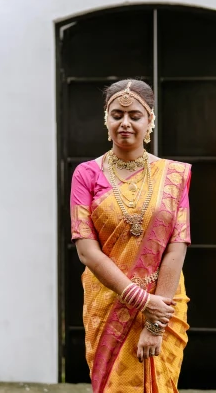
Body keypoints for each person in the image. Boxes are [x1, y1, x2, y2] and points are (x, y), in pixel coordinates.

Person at [70, 79, 192, 393]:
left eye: (135, 115)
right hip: (108, 303)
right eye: (117, 115)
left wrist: (155, 320)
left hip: (163, 304)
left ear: (150, 120)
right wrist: (141, 300)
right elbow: (87, 251)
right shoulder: (87, 174)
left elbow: (176, 248)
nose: (125, 123)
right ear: (106, 119)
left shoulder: (174, 175)